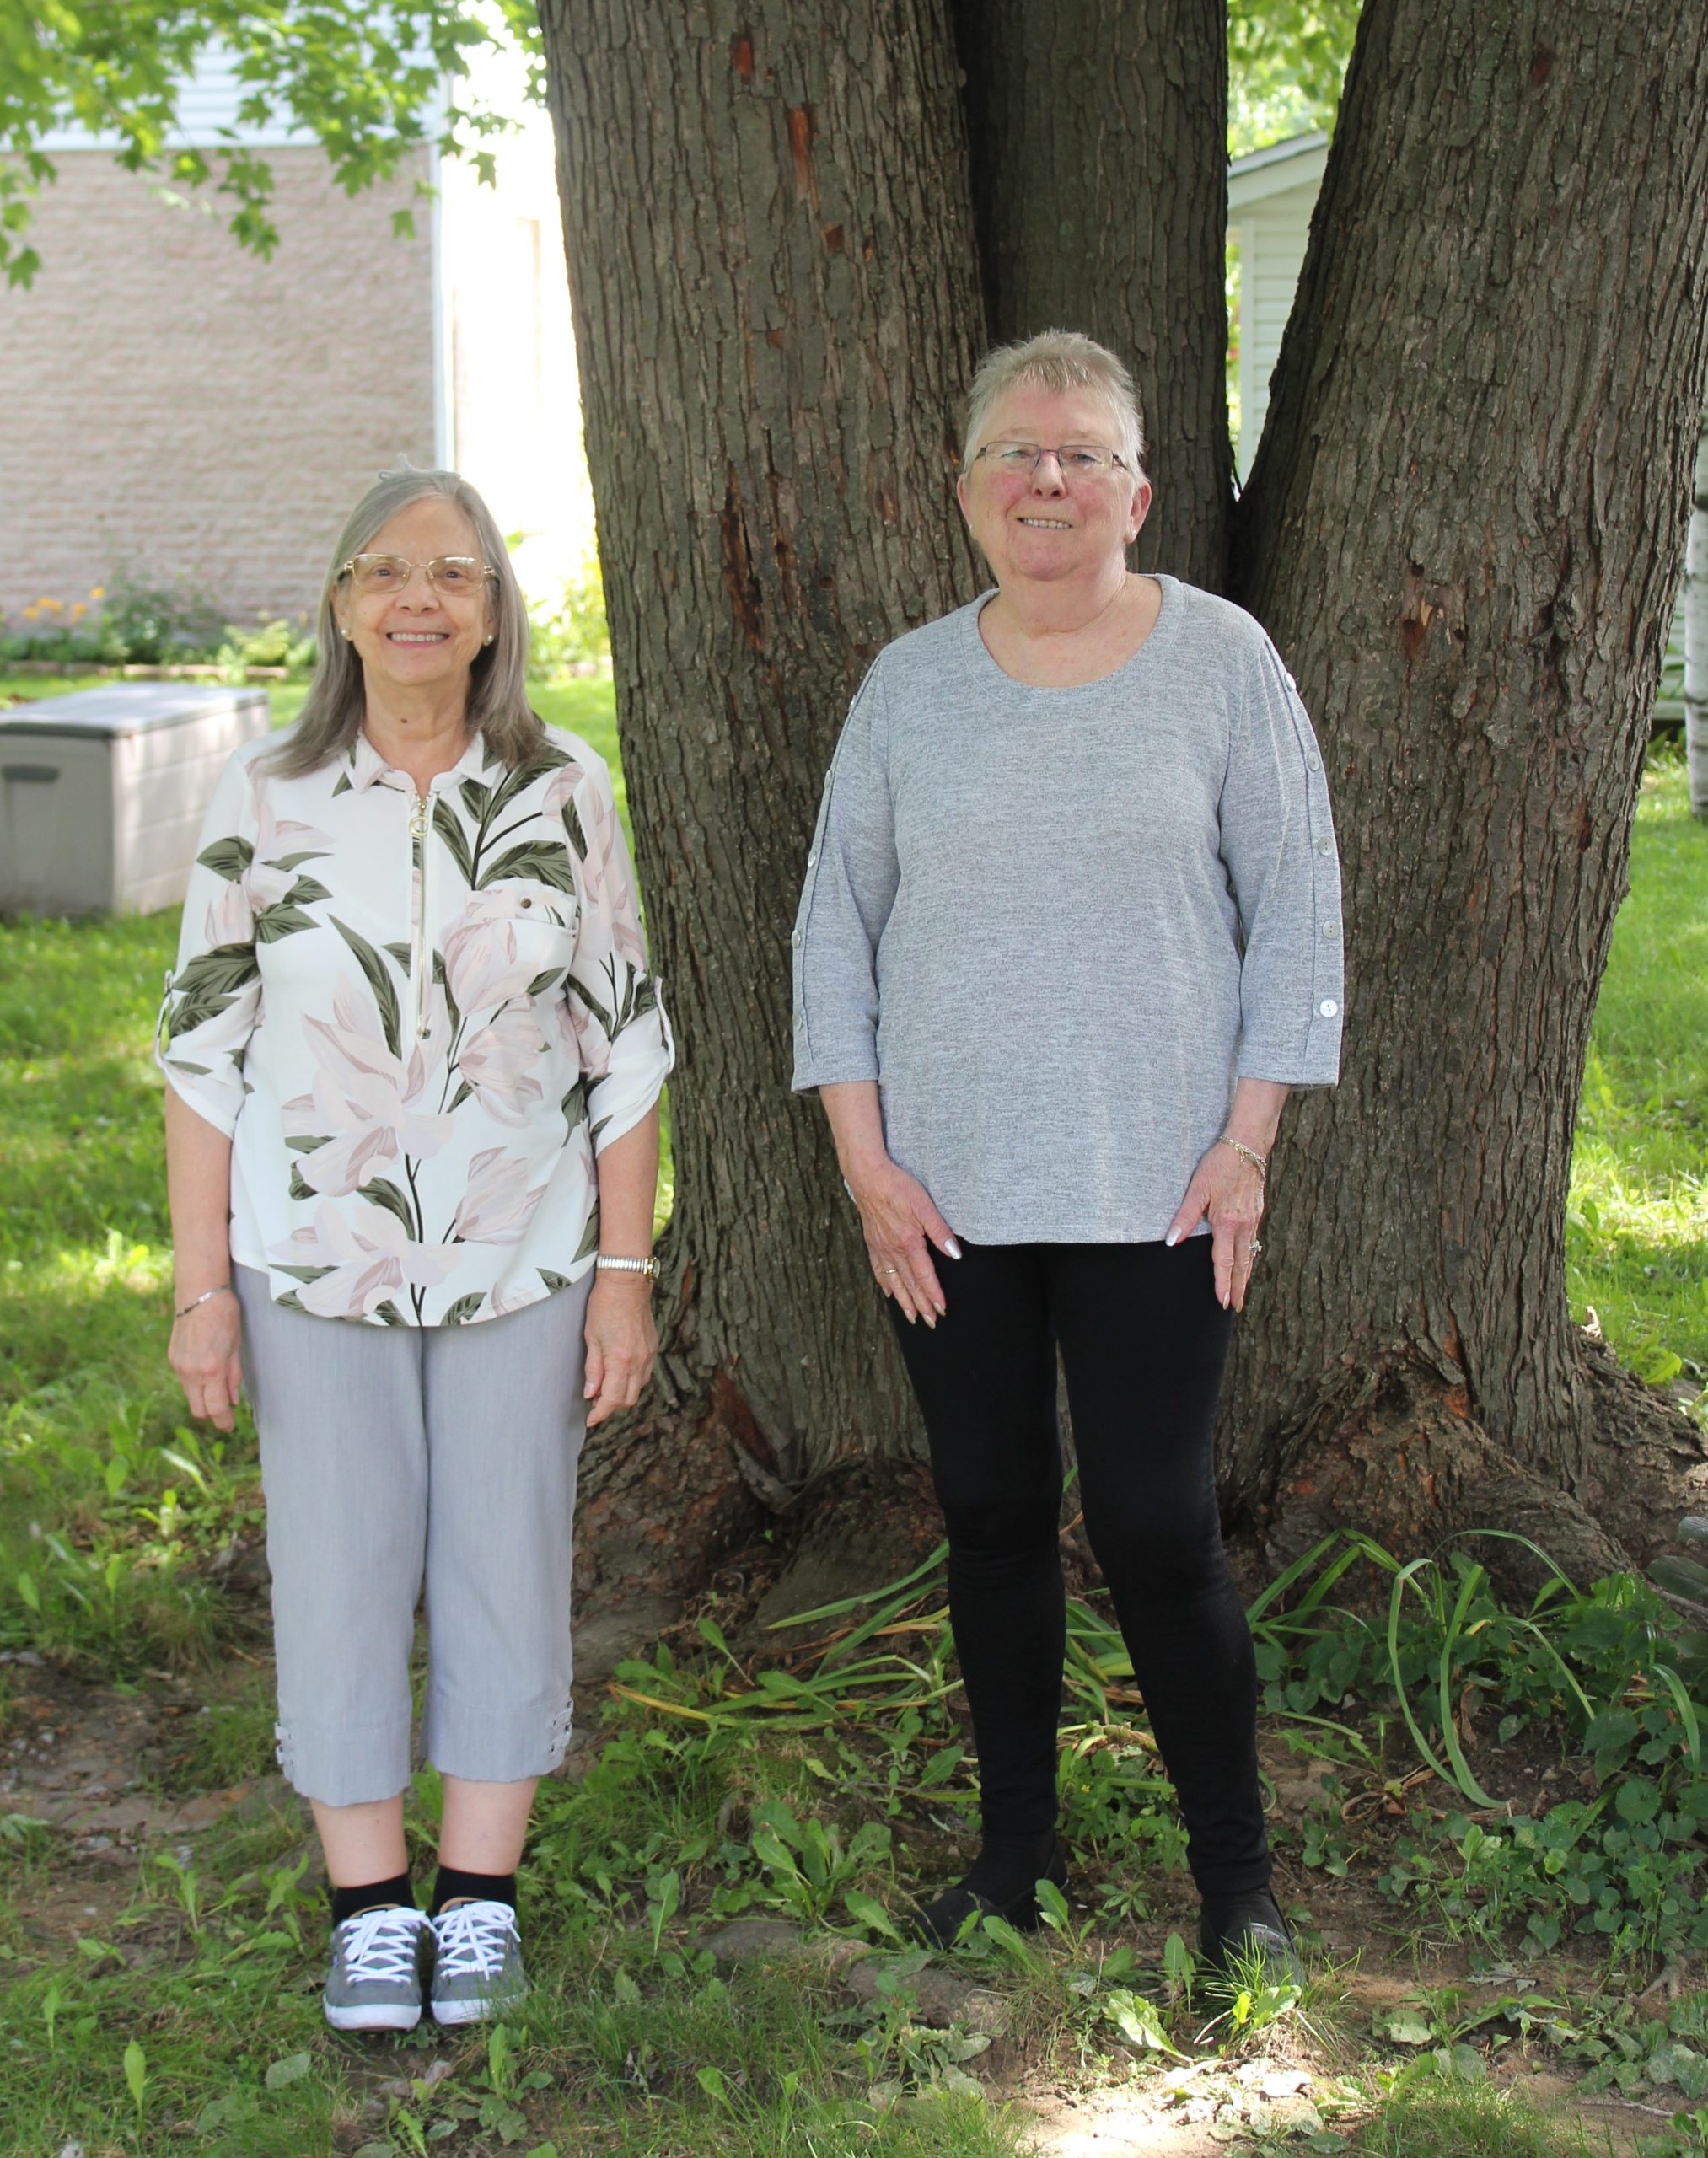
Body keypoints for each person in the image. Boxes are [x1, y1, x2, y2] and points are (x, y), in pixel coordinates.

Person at [790, 331, 1343, 1973]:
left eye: (1081, 452)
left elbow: (1295, 908)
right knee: (986, 1510)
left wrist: (1246, 1141)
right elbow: (836, 930)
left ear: (1136, 490)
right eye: (1014, 452)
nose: (1046, 477)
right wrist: (861, 1161)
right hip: (940, 1192)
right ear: (964, 489)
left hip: (1158, 1184)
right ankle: (1013, 1853)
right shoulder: (906, 686)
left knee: (1158, 1522)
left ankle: (1233, 1883)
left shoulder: (1221, 661)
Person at [160, 468, 672, 2032]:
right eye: (385, 571)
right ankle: (372, 1910)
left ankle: (482, 1900)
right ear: (341, 606)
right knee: (340, 1568)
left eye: (454, 572)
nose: (418, 598)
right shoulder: (264, 795)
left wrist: (627, 1279)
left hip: (524, 1249)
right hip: (310, 1257)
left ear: (493, 611)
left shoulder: (562, 790)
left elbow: (629, 1047)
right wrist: (199, 1293)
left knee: (507, 1560)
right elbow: (200, 1054)